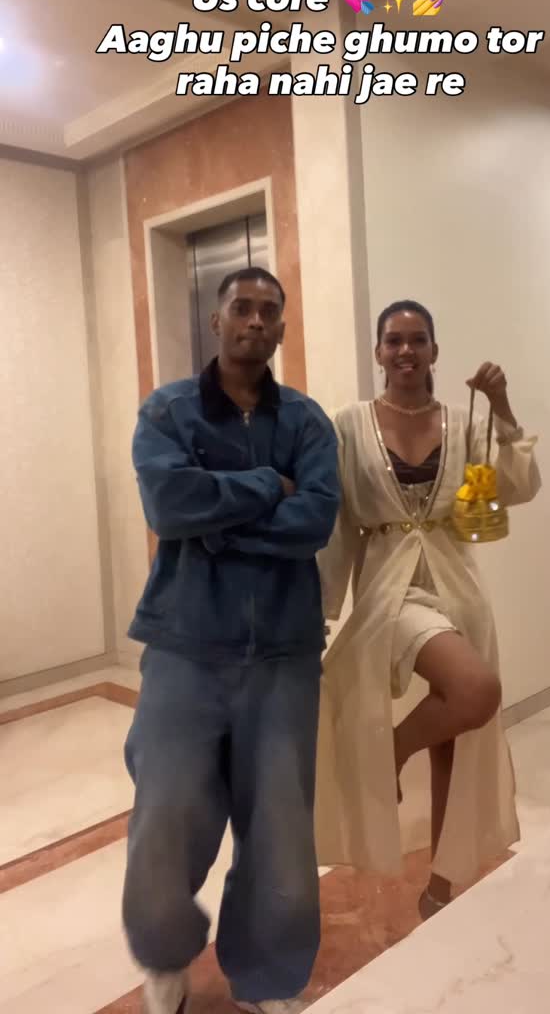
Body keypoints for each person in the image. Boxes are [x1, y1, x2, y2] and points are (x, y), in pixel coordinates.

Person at [122, 268, 340, 1014]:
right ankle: (164, 955)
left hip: (284, 654)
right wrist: (265, 486)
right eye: (241, 308)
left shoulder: (306, 422)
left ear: (281, 328)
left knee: (280, 833)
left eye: (268, 311)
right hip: (184, 646)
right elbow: (169, 505)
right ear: (215, 321)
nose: (254, 320)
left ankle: (268, 978)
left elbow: (315, 520)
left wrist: (215, 526)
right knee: (165, 816)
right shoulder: (169, 412)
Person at [315, 300, 541, 917]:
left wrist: (502, 408)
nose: (406, 351)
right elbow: (337, 523)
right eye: (394, 340)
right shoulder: (348, 424)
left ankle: (441, 888)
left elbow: (517, 488)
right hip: (391, 589)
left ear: (435, 351)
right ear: (378, 352)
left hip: (458, 584)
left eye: (417, 340)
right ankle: (389, 752)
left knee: (457, 739)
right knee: (475, 691)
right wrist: (323, 609)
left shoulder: (464, 422)